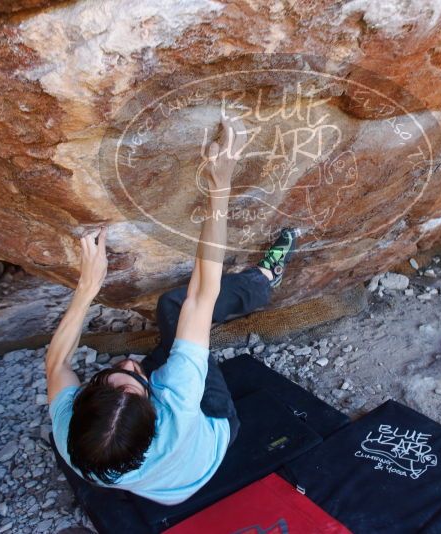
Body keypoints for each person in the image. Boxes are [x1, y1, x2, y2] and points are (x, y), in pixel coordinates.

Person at [44, 116, 300, 505]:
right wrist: (219, 186)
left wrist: (87, 287)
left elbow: (56, 364)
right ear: (154, 408)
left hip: (168, 493)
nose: (128, 363)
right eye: (135, 379)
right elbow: (202, 295)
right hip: (214, 437)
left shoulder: (71, 438)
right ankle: (264, 280)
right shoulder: (179, 400)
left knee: (169, 340)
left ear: (80, 408)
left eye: (108, 378)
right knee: (176, 307)